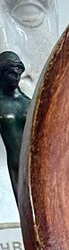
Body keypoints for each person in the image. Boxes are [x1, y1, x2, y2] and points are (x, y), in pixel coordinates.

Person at [0, 50, 29, 199]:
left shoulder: (28, 103)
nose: (16, 78)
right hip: (16, 167)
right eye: (12, 73)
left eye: (18, 73)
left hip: (36, 163)